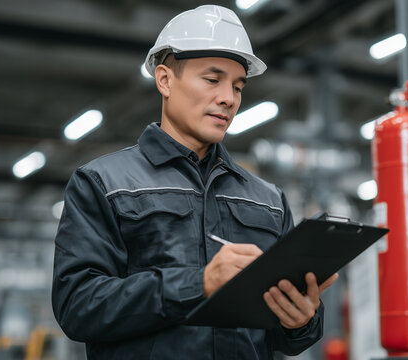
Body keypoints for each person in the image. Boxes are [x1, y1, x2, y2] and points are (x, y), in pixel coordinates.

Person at [51, 5, 337, 359]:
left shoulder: (268, 200)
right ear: (165, 80)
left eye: (237, 86)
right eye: (213, 79)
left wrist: (301, 321)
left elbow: (280, 340)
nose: (229, 98)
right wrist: (198, 284)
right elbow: (77, 307)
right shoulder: (103, 184)